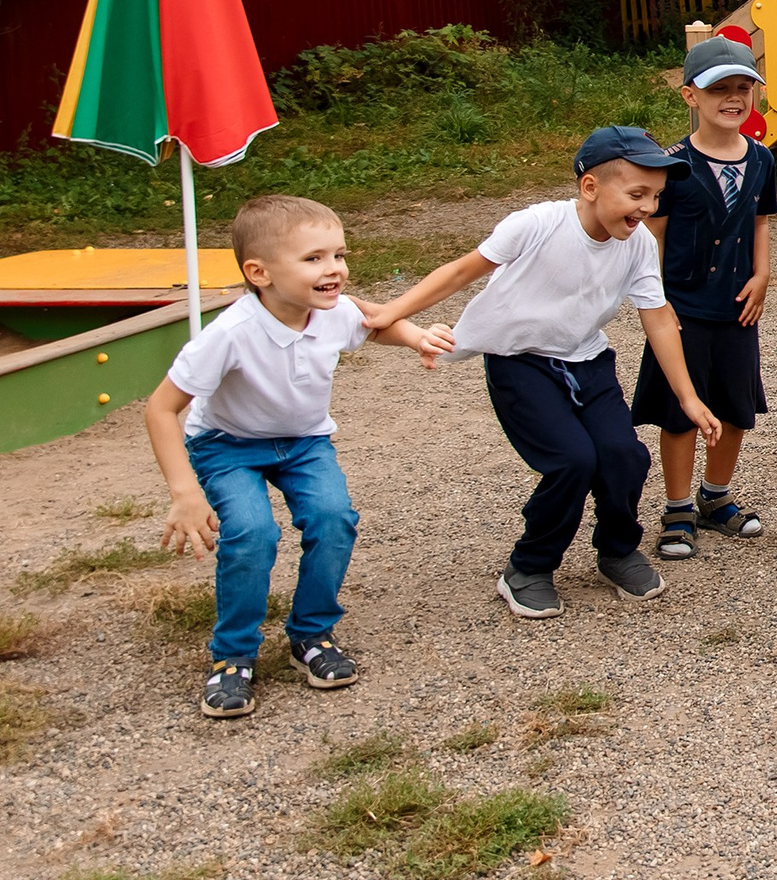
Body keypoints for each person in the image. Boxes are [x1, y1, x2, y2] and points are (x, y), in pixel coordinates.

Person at [361, 130, 724, 620]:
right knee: (572, 462)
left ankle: (617, 550)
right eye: (636, 194)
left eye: (656, 196)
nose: (647, 207)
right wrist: (391, 310)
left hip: (588, 361)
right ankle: (528, 567)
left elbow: (657, 315)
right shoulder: (536, 224)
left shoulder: (636, 243)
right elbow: (460, 271)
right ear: (591, 187)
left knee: (623, 456)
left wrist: (687, 396)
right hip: (521, 361)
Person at [144, 196, 452, 719]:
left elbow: (373, 323)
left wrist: (415, 335)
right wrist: (185, 493)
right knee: (252, 534)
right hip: (227, 445)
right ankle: (233, 656)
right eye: (313, 258)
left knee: (334, 519)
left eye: (338, 254)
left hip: (304, 443)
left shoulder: (331, 312)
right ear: (258, 272)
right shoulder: (228, 335)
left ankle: (311, 635)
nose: (334, 268)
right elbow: (160, 408)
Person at [635, 36, 775, 561]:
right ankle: (676, 508)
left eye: (743, 88)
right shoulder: (670, 164)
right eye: (719, 88)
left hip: (739, 305)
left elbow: (760, 221)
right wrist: (658, 302)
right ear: (690, 96)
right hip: (683, 307)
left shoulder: (760, 159)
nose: (733, 98)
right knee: (680, 409)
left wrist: (763, 274)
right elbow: (655, 236)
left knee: (736, 405)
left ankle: (716, 498)